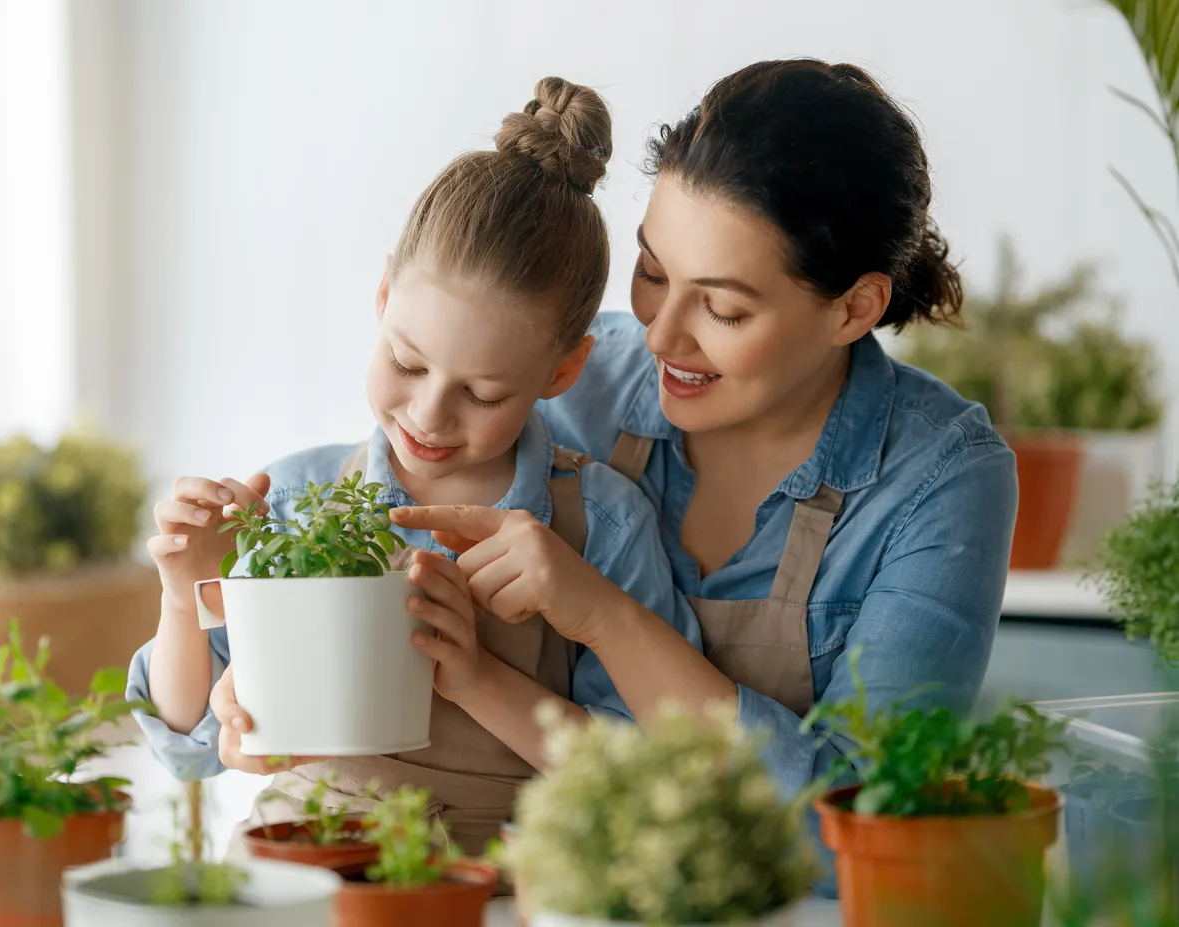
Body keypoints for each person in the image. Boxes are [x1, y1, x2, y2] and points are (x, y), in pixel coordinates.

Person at [215, 59, 1019, 893]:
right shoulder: (565, 376)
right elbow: (389, 478)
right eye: (653, 273)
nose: (662, 335)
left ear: (853, 308)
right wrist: (267, 680)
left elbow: (856, 838)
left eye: (724, 308)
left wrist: (603, 614)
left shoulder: (939, 481)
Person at [128, 77, 700, 856]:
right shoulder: (295, 496)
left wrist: (476, 678)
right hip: (315, 862)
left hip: (505, 871)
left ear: (564, 372)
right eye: (407, 360)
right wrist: (181, 591)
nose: (430, 415)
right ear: (385, 292)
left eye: (481, 391)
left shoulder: (599, 519)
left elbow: (637, 775)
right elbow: (189, 741)